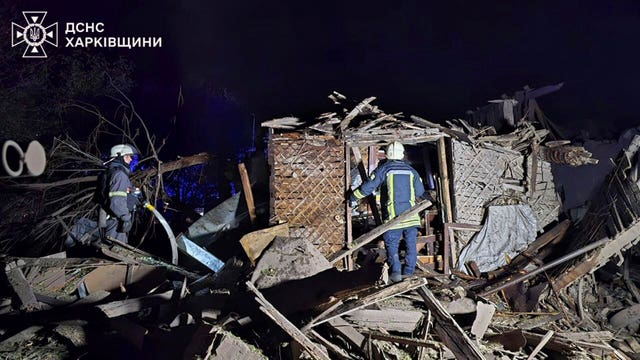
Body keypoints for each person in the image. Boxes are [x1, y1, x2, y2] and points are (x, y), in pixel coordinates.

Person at [350, 141, 426, 283]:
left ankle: (396, 274)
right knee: (411, 246)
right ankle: (408, 274)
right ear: (402, 154)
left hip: (393, 218)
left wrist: (353, 196)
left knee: (392, 247)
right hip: (411, 216)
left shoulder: (384, 169)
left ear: (387, 154)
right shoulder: (411, 171)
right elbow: (420, 191)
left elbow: (368, 187)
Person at [98, 143, 140, 243]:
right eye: (128, 156)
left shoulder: (111, 172)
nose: (130, 159)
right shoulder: (120, 174)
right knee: (116, 250)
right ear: (120, 157)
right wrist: (126, 217)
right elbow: (116, 201)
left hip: (109, 219)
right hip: (116, 222)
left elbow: (116, 191)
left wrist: (133, 192)